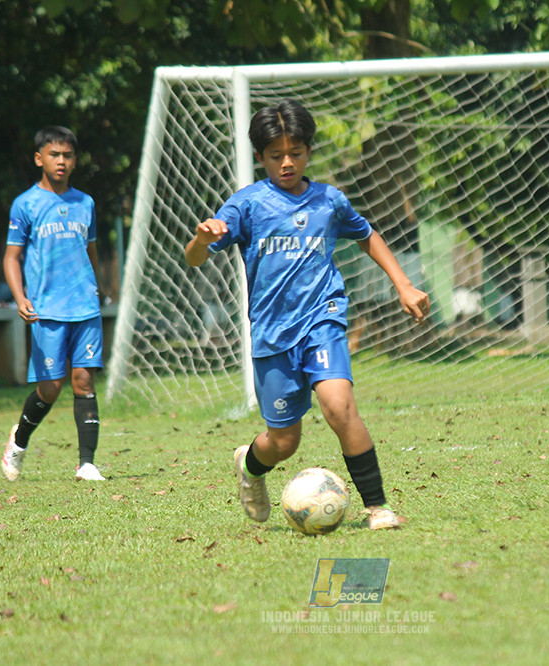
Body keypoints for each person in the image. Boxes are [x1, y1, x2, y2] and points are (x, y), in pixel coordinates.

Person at [184, 99, 430, 530]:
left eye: (295, 153)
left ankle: (378, 508)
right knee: (283, 442)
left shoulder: (328, 201)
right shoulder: (246, 206)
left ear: (308, 151)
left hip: (322, 318)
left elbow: (366, 235)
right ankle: (250, 467)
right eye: (275, 155)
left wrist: (403, 284)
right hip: (273, 334)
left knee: (339, 407)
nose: (286, 163)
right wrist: (203, 239)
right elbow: (194, 258)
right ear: (260, 157)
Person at [0, 126, 105, 482]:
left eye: (68, 156)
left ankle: (86, 463)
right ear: (39, 158)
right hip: (47, 310)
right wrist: (20, 298)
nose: (61, 162)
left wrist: (97, 286)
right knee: (50, 388)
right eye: (54, 155)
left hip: (85, 307)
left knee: (83, 380)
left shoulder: (86, 202)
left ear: (75, 161)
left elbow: (90, 251)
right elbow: (11, 258)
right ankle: (19, 442)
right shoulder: (25, 204)